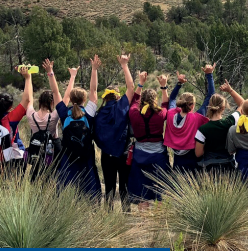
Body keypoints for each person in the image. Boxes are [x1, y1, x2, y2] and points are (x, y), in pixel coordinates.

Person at [44, 59, 101, 199]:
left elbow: (55, 91)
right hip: (86, 154)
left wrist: (50, 72)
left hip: (68, 155)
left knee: (67, 184)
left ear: (70, 98)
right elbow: (93, 90)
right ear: (84, 99)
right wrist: (94, 69)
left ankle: (68, 207)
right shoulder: (89, 112)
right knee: (89, 185)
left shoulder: (64, 113)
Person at [92, 54, 135, 209]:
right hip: (123, 153)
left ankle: (109, 218)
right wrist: (124, 65)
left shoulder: (99, 113)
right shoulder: (122, 107)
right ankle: (127, 213)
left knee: (109, 187)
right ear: (117, 96)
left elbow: (95, 134)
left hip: (106, 155)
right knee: (124, 186)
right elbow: (131, 88)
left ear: (105, 97)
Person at [128, 71, 170, 209]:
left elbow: (134, 100)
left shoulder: (134, 113)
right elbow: (165, 104)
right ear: (154, 100)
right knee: (160, 189)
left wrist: (140, 83)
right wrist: (163, 87)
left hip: (139, 155)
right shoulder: (160, 113)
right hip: (159, 156)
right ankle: (158, 222)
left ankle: (144, 224)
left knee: (142, 191)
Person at [164, 64, 215, 173]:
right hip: (192, 159)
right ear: (192, 106)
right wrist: (209, 75)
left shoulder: (171, 114)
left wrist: (179, 84)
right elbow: (211, 96)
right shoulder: (197, 118)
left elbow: (172, 98)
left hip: (177, 158)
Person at [23, 63, 63, 180]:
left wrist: (28, 77)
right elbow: (57, 94)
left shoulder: (31, 114)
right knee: (53, 176)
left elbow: (28, 98)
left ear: (39, 101)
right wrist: (50, 73)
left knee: (35, 176)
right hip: (53, 150)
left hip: (36, 151)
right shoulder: (54, 116)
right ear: (52, 103)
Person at [195, 80, 245, 172]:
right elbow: (243, 104)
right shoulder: (230, 121)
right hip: (228, 166)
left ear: (210, 106)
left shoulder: (202, 130)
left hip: (209, 168)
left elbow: (198, 153)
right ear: (223, 108)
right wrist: (230, 90)